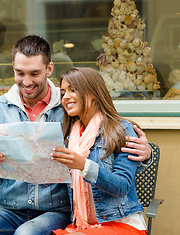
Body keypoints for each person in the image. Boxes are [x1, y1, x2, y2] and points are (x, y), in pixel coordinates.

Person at [0, 35, 152, 235]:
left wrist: (146, 154)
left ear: (49, 69)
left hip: (56, 209)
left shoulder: (67, 110)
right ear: (13, 67)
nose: (26, 82)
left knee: (27, 233)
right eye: (20, 73)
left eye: (34, 73)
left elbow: (106, 147)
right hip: (9, 207)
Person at [52, 67, 147, 235]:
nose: (66, 96)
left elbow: (121, 187)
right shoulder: (68, 136)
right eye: (63, 92)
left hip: (122, 223)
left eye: (73, 90)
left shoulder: (122, 130)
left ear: (93, 93)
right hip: (83, 225)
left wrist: (84, 166)